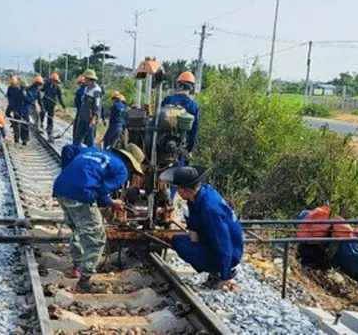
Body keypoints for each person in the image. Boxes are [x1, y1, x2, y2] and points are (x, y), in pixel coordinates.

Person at [53, 143, 145, 292]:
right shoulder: (122, 170)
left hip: (60, 188)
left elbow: (67, 149)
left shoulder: (94, 151)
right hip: (80, 194)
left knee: (78, 229)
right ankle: (84, 282)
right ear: (129, 162)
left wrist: (68, 174)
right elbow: (102, 188)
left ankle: (77, 267)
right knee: (97, 238)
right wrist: (111, 202)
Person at [160, 165, 243, 290]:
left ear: (185, 190)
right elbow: (194, 225)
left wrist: (226, 275)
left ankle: (219, 272)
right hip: (211, 241)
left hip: (231, 253)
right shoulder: (199, 195)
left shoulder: (210, 208)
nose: (176, 192)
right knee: (177, 240)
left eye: (178, 189)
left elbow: (223, 242)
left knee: (184, 247)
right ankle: (215, 267)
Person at [161, 71, 200, 162]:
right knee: (179, 172)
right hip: (181, 147)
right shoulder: (194, 106)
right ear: (191, 88)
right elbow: (194, 130)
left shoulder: (168, 100)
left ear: (179, 85)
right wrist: (190, 150)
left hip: (162, 145)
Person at [73, 69, 103, 147]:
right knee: (77, 137)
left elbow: (97, 106)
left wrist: (94, 119)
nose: (84, 80)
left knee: (89, 139)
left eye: (85, 78)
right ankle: (75, 152)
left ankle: (90, 155)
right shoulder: (86, 88)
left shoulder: (97, 91)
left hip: (90, 119)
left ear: (90, 79)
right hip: (82, 116)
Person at [41, 72, 67, 140]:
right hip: (45, 102)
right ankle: (41, 124)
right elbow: (42, 89)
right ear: (51, 80)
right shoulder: (46, 84)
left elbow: (60, 97)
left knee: (50, 117)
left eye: (56, 81)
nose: (55, 82)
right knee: (42, 113)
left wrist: (63, 105)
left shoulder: (57, 88)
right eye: (54, 81)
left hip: (52, 104)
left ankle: (50, 129)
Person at [20, 75, 44, 145]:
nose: (39, 85)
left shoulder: (38, 91)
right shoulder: (28, 89)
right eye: (39, 83)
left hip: (33, 105)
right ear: (35, 83)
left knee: (38, 114)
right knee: (25, 120)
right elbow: (25, 99)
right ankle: (25, 139)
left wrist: (42, 108)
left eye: (40, 84)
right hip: (27, 105)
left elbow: (39, 100)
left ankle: (37, 127)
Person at [6, 76, 25, 144]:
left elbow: (20, 101)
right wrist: (10, 103)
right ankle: (12, 123)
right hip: (11, 105)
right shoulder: (9, 88)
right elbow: (8, 96)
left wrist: (16, 110)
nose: (12, 84)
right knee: (7, 113)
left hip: (17, 107)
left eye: (13, 83)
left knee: (17, 123)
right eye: (11, 83)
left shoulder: (18, 90)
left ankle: (17, 139)